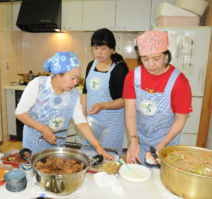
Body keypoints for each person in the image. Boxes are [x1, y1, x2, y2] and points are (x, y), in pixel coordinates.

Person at [15, 51, 114, 160]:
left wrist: (98, 147)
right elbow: (19, 113)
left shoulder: (73, 93)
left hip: (58, 148)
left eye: (78, 78)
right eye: (72, 78)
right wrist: (42, 128)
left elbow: (81, 122)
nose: (76, 82)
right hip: (34, 146)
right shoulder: (37, 85)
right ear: (58, 75)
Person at [123, 31, 192, 167]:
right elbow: (130, 113)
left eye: (156, 59)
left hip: (167, 143)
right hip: (141, 142)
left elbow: (180, 119)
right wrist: (133, 140)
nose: (150, 64)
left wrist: (162, 145)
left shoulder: (179, 81)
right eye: (145, 59)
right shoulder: (133, 77)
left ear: (166, 55)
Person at [81, 28, 129, 158]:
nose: (98, 52)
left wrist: (103, 105)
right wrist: (83, 112)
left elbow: (124, 100)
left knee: (107, 159)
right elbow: (85, 90)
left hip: (110, 125)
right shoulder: (91, 65)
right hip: (91, 122)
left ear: (112, 48)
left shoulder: (119, 69)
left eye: (103, 48)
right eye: (95, 48)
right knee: (88, 157)